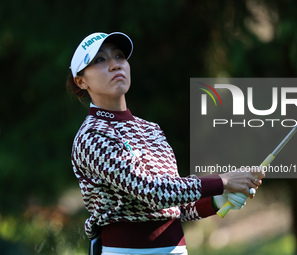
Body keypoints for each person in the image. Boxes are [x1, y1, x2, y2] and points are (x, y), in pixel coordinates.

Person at [67, 32, 265, 255]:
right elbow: (152, 191)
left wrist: (220, 198)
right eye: (100, 60)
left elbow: (175, 206)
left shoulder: (151, 129)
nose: (115, 65)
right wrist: (224, 180)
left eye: (120, 56)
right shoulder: (91, 136)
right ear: (81, 81)